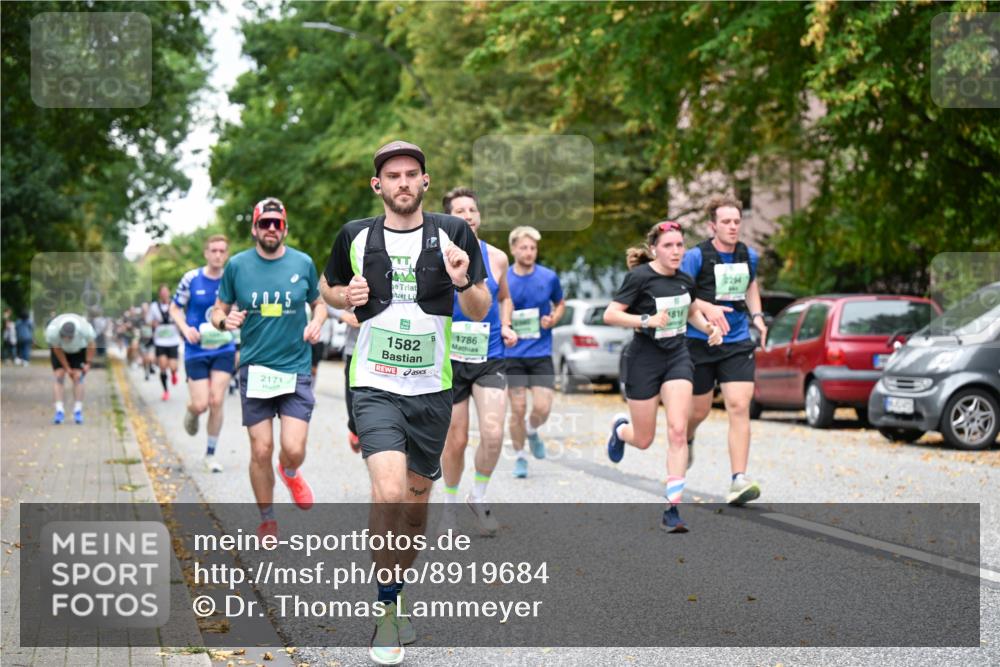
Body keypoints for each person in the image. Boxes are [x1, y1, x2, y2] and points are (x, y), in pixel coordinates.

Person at [321, 140, 490, 666]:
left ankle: (396, 592)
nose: (401, 182)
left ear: (425, 181)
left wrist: (463, 277)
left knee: (416, 507)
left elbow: (480, 307)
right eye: (392, 175)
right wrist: (341, 297)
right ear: (378, 185)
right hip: (373, 383)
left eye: (410, 174)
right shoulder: (354, 235)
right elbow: (327, 288)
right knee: (390, 491)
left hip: (433, 390)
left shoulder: (455, 234)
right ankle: (386, 609)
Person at [211, 197, 326, 539]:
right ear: (255, 228)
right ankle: (268, 519)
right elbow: (217, 310)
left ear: (285, 228)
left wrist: (317, 322)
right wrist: (223, 321)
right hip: (256, 370)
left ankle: (289, 472)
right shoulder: (237, 266)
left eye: (277, 223)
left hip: (296, 368)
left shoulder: (302, 262)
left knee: (292, 448)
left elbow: (318, 304)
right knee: (260, 449)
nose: (272, 228)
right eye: (265, 223)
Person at [603, 221, 722, 532]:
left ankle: (672, 509)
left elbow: (692, 311)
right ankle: (620, 431)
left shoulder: (685, 280)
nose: (676, 251)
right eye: (669, 245)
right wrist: (647, 319)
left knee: (678, 431)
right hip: (644, 359)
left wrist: (709, 329)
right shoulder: (639, 277)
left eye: (680, 245)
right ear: (654, 249)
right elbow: (611, 314)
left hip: (677, 357)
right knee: (643, 439)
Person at [439, 187, 516, 535]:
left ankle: (478, 495)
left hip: (490, 356)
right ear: (447, 219)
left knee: (493, 432)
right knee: (454, 440)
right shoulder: (437, 257)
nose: (467, 215)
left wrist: (507, 323)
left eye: (472, 209)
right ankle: (450, 507)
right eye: (459, 210)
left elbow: (504, 297)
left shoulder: (497, 257)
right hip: (449, 359)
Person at [682, 195, 768, 506]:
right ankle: (688, 436)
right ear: (712, 226)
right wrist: (708, 309)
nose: (732, 227)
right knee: (700, 410)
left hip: (737, 342)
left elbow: (751, 286)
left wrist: (757, 316)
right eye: (726, 222)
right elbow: (682, 293)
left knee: (738, 406)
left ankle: (738, 479)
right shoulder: (695, 257)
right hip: (700, 340)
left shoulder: (749, 255)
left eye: (736, 222)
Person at [171, 234, 237, 473]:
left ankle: (210, 454)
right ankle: (192, 410)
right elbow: (175, 308)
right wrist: (185, 328)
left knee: (216, 400)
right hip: (195, 349)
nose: (218, 255)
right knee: (201, 404)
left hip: (223, 347)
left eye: (222, 251)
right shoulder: (192, 278)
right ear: (206, 253)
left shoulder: (232, 279)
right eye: (214, 250)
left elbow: (240, 307)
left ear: (226, 254)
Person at [504, 226, 565, 478]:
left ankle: (531, 430)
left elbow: (560, 304)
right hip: (513, 354)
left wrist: (553, 318)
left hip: (540, 353)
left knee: (543, 407)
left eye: (533, 248)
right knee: (517, 409)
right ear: (513, 249)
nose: (529, 252)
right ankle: (520, 457)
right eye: (524, 247)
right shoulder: (503, 278)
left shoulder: (548, 277)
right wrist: (505, 326)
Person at [45, 313, 96, 424]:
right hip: (60, 350)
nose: (67, 339)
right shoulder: (52, 332)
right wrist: (67, 368)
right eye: (64, 337)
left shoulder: (85, 329)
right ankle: (59, 410)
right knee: (59, 376)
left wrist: (88, 363)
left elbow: (91, 345)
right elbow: (57, 350)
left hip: (78, 350)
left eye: (69, 337)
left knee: (78, 377)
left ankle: (78, 409)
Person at [329, 306, 362, 453]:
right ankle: (354, 429)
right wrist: (344, 315)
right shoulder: (351, 282)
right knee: (353, 400)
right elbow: (325, 301)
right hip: (355, 350)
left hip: (386, 354)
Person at [148, 286, 181, 400]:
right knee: (162, 365)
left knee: (172, 366)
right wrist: (153, 323)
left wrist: (178, 323)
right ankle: (166, 391)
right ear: (159, 294)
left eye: (166, 292)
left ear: (169, 293)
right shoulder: (154, 306)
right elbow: (148, 320)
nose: (164, 294)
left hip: (173, 340)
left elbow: (182, 318)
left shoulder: (175, 305)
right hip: (160, 340)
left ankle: (173, 373)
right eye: (162, 292)